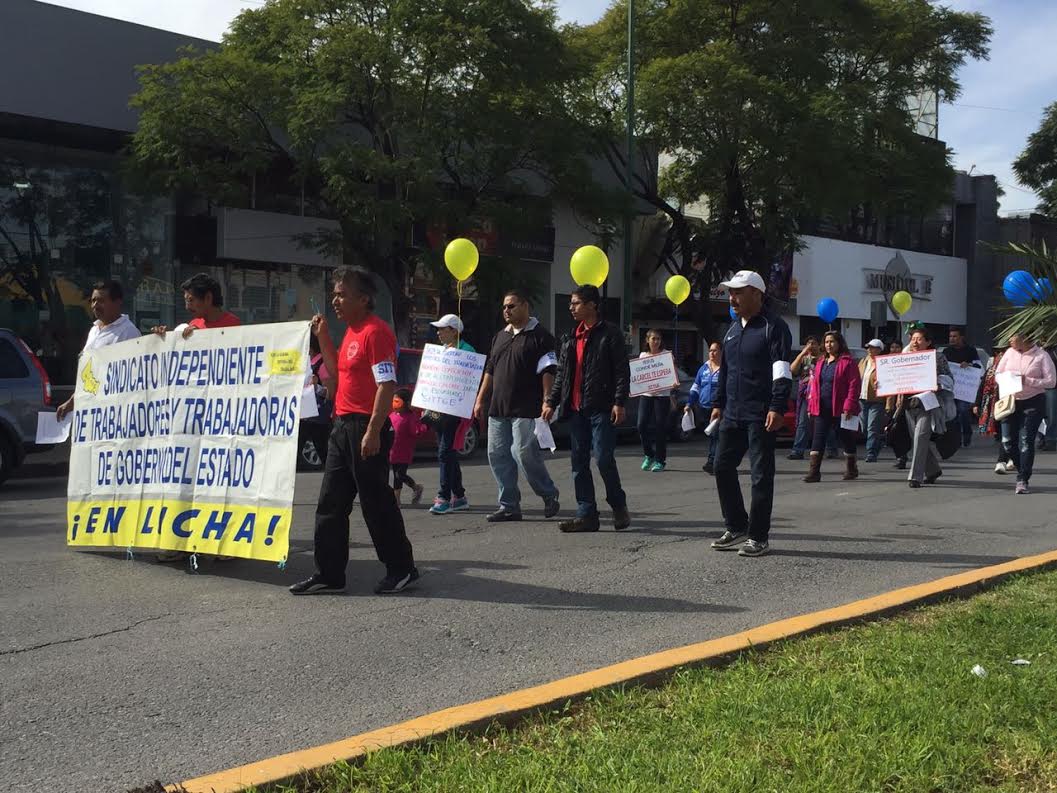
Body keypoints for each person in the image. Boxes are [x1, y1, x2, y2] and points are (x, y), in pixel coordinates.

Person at [289, 266, 417, 595]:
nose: (335, 300)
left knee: (377, 505)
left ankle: (402, 569)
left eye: (342, 294)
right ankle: (329, 574)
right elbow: (336, 374)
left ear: (363, 299)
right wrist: (324, 338)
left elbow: (386, 385)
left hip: (365, 425)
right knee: (330, 504)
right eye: (334, 293)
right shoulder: (349, 333)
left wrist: (373, 431)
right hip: (341, 425)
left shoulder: (376, 332)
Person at [708, 270, 792, 558]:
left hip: (760, 414)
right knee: (721, 467)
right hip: (732, 413)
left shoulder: (774, 327)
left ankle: (758, 537)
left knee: (760, 476)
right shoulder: (731, 330)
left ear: (757, 294)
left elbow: (782, 371)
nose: (732, 297)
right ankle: (736, 525)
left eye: (739, 292)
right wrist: (718, 403)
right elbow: (726, 372)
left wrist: (777, 406)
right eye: (731, 292)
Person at [542, 284, 631, 533]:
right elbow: (562, 374)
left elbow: (622, 371)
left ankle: (618, 505)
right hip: (576, 410)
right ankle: (586, 514)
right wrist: (551, 401)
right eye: (571, 303)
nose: (571, 307)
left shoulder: (610, 334)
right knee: (578, 462)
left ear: (592, 305)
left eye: (576, 303)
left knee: (603, 459)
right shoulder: (570, 337)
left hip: (601, 408)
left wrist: (619, 402)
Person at [473, 290, 561, 523]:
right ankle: (509, 505)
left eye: (511, 306)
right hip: (498, 408)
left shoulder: (541, 336)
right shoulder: (500, 336)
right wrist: (480, 399)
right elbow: (490, 370)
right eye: (504, 307)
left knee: (522, 453)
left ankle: (549, 493)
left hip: (526, 407)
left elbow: (548, 371)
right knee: (496, 454)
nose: (506, 311)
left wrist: (546, 400)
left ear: (525, 306)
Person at [56, 280, 140, 421]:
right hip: (92, 409)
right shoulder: (94, 330)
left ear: (117, 302)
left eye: (101, 301)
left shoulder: (129, 333)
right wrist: (72, 401)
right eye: (93, 301)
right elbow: (88, 372)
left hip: (114, 412)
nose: (95, 305)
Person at [995, 331, 1057, 494]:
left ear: (1024, 338)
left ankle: (1023, 479)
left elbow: (1051, 382)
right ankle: (1021, 466)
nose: (1009, 340)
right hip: (1010, 401)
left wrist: (1027, 380)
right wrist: (1006, 378)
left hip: (1033, 401)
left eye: (1012, 336)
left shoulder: (1042, 356)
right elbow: (997, 374)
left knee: (1026, 441)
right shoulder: (1009, 352)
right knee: (1007, 441)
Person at [426, 314, 475, 515]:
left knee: (445, 451)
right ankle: (460, 496)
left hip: (455, 410)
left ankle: (444, 496)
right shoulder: (440, 352)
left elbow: (469, 381)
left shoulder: (467, 351)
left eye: (442, 328)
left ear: (454, 331)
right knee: (448, 452)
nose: (438, 332)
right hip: (439, 407)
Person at [895, 328, 952, 489]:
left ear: (928, 342)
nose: (915, 342)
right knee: (917, 440)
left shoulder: (937, 357)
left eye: (919, 339)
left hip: (927, 403)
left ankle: (915, 477)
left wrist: (938, 385)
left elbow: (949, 378)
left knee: (920, 437)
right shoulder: (904, 358)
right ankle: (933, 470)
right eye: (913, 338)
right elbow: (895, 379)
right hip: (909, 403)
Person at [804, 331, 862, 482]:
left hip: (841, 408)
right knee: (818, 438)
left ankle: (851, 469)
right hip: (822, 407)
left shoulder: (848, 362)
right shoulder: (821, 362)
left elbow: (854, 385)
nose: (829, 345)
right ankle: (814, 472)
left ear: (839, 343)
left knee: (846, 438)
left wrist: (849, 405)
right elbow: (814, 386)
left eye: (832, 342)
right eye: (827, 342)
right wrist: (811, 406)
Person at [151, 272, 241, 338]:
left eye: (191, 300)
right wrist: (167, 337)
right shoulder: (193, 324)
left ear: (208, 298)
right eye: (185, 301)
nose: (187, 307)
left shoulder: (233, 324)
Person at [637, 329, 676, 472]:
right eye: (653, 339)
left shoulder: (666, 355)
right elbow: (638, 374)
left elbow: (672, 375)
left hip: (662, 396)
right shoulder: (642, 355)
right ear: (647, 340)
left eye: (658, 339)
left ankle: (660, 460)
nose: (656, 341)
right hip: (646, 395)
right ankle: (649, 454)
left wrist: (674, 383)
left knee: (660, 428)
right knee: (641, 425)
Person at [975, 347, 1015, 475]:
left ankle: (1001, 461)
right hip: (993, 407)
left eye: (1005, 353)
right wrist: (976, 404)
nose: (1002, 356)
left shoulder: (1013, 370)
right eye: (1000, 353)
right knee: (1000, 435)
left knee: (1007, 434)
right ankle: (1011, 457)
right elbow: (982, 388)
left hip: (1010, 405)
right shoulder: (991, 370)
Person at [943, 326, 982, 448]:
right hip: (950, 389)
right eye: (950, 336)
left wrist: (969, 365)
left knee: (963, 411)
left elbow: (979, 367)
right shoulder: (946, 351)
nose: (952, 339)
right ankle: (955, 437)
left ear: (961, 337)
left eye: (955, 336)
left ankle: (967, 433)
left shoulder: (971, 350)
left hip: (964, 390)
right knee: (951, 414)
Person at [687, 341, 722, 474]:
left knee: (716, 435)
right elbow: (696, 387)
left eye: (715, 350)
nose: (711, 353)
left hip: (718, 409)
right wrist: (689, 403)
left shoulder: (725, 369)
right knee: (712, 436)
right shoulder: (704, 368)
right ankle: (718, 460)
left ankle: (712, 462)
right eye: (710, 351)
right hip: (704, 407)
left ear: (721, 353)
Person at [389, 388, 425, 505]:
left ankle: (396, 499)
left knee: (399, 475)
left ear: (407, 404)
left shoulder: (411, 417)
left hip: (404, 452)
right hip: (392, 451)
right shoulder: (392, 415)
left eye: (398, 401)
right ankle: (416, 487)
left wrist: (426, 423)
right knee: (397, 474)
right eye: (394, 401)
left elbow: (417, 431)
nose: (395, 404)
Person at [787, 336, 819, 461]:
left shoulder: (823, 358)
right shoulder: (804, 359)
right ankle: (798, 450)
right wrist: (802, 353)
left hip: (819, 394)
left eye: (814, 343)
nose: (811, 346)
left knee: (825, 423)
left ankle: (831, 448)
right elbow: (792, 370)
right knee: (803, 423)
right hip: (806, 394)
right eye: (808, 344)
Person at [858, 339, 888, 462]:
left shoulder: (884, 363)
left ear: (880, 350)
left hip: (877, 400)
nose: (870, 350)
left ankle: (871, 453)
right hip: (862, 398)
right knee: (864, 427)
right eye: (868, 347)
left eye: (873, 347)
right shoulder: (863, 362)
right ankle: (878, 442)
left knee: (872, 427)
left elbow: (890, 381)